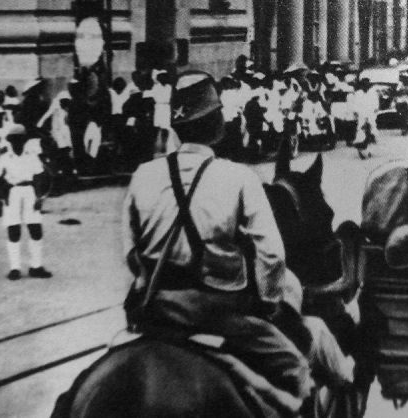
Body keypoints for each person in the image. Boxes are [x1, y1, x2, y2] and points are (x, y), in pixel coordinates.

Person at [122, 71, 312, 404]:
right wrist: (267, 305)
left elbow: (132, 252)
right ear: (217, 124)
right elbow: (272, 254)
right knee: (296, 368)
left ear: (177, 129)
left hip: (158, 315)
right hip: (220, 314)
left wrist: (144, 282)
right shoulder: (239, 178)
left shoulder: (143, 176)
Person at [0, 124, 52, 280]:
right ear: (10, 141)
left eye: (21, 139)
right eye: (14, 139)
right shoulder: (4, 157)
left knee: (35, 228)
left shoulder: (31, 155)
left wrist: (39, 197)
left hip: (30, 191)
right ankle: (15, 268)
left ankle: (36, 266)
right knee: (13, 230)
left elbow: (41, 176)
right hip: (12, 193)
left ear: (25, 140)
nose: (18, 142)